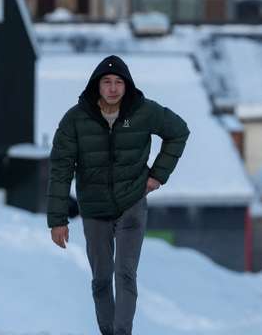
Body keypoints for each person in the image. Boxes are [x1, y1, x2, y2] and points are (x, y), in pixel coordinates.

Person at [47, 55, 189, 335]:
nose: (113, 88)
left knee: (125, 274)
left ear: (127, 86)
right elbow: (60, 170)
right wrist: (57, 220)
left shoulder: (144, 111)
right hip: (94, 207)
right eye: (107, 82)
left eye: (118, 82)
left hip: (131, 203)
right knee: (101, 279)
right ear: (96, 86)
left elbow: (179, 131)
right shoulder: (75, 119)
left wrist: (158, 174)